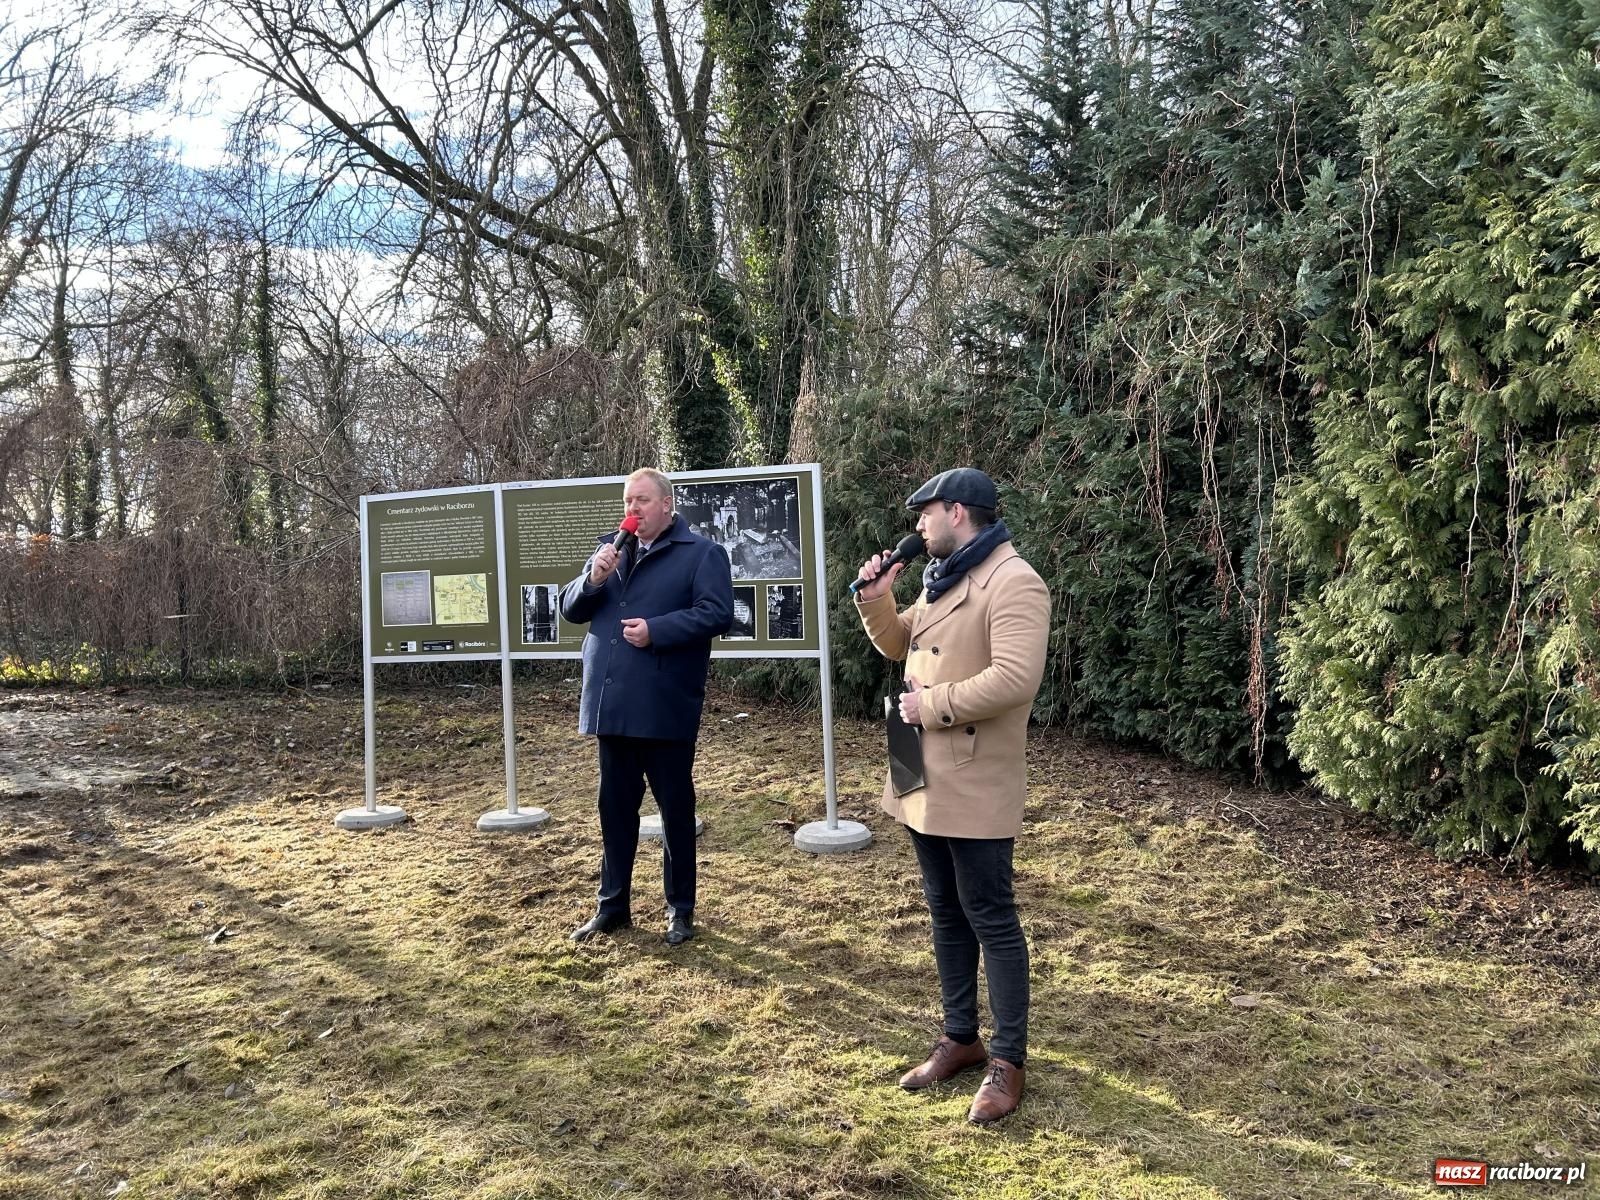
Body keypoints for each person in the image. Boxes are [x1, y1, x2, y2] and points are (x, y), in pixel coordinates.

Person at [853, 467, 1051, 1125]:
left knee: (989, 911)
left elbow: (1016, 679)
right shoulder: (947, 578)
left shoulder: (1014, 581)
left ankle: (1008, 1059)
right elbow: (897, 643)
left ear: (958, 512)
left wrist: (929, 706)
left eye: (925, 514)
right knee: (943, 907)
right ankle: (961, 1037)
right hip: (918, 765)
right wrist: (877, 597)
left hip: (970, 769)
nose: (917, 526)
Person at [560, 468, 734, 946]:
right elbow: (571, 607)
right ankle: (612, 906)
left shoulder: (701, 553)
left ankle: (681, 910)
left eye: (641, 500)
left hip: (663, 706)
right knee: (614, 811)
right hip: (612, 706)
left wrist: (658, 630)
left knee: (675, 812)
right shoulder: (609, 550)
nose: (631, 509)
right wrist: (593, 580)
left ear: (666, 505)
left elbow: (718, 612)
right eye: (627, 500)